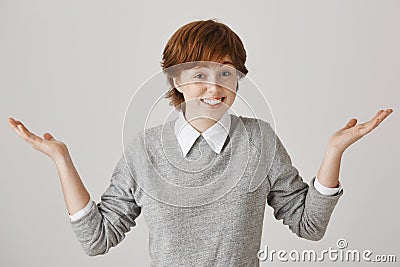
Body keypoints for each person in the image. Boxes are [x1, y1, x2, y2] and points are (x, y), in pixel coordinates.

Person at [8, 19, 393, 266]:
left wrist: (334, 152)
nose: (215, 86)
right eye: (199, 74)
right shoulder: (145, 150)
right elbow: (97, 240)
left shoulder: (259, 140)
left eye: (226, 73)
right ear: (175, 80)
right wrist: (62, 160)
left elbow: (309, 226)